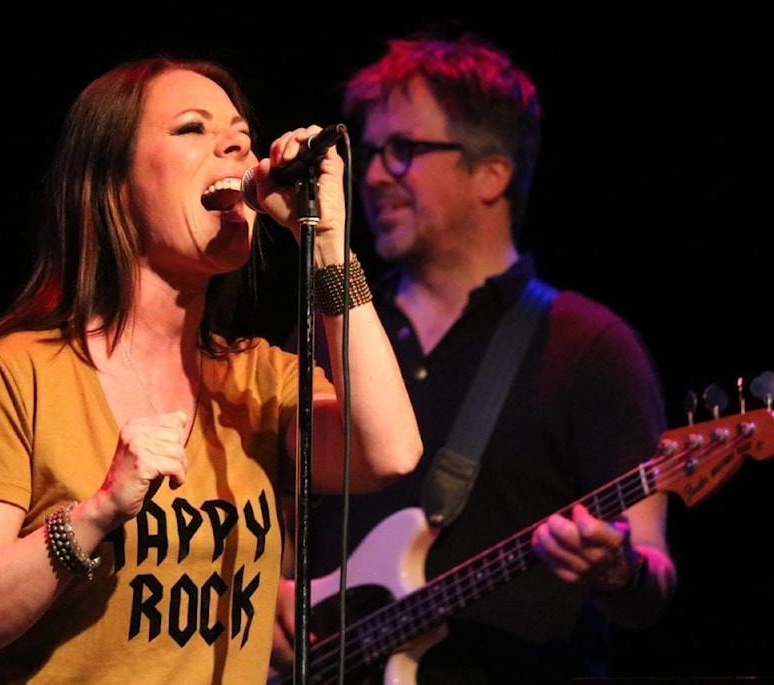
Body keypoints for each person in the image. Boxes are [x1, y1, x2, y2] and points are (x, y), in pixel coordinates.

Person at [0, 55, 422, 685]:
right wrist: (94, 516)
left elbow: (391, 451)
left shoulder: (255, 380)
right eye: (191, 129)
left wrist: (329, 245)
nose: (237, 144)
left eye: (239, 132)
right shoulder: (16, 372)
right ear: (113, 185)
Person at [270, 31, 678, 683]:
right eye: (371, 152)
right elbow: (283, 509)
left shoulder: (591, 346)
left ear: (492, 173)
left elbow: (652, 574)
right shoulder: (336, 326)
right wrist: (272, 592)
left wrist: (620, 569)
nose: (373, 175)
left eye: (403, 151)